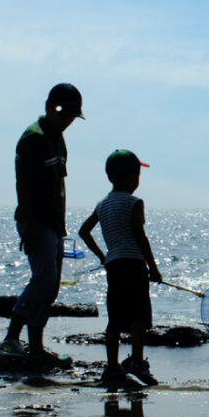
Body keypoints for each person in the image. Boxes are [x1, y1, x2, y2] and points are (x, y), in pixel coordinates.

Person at [0, 83, 83, 367]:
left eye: (72, 116)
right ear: (50, 107)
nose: (68, 121)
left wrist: (61, 225)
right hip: (36, 221)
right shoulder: (33, 138)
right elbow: (23, 185)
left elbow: (59, 183)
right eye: (64, 114)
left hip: (53, 223)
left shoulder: (58, 139)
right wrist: (31, 227)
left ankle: (36, 345)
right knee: (43, 280)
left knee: (51, 287)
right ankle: (11, 338)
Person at [78, 150, 162, 386]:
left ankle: (113, 366)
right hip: (134, 263)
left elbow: (84, 232)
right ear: (133, 177)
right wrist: (153, 268)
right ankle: (136, 361)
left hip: (114, 266)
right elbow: (140, 236)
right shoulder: (134, 202)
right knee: (139, 317)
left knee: (115, 318)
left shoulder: (102, 205)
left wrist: (103, 256)